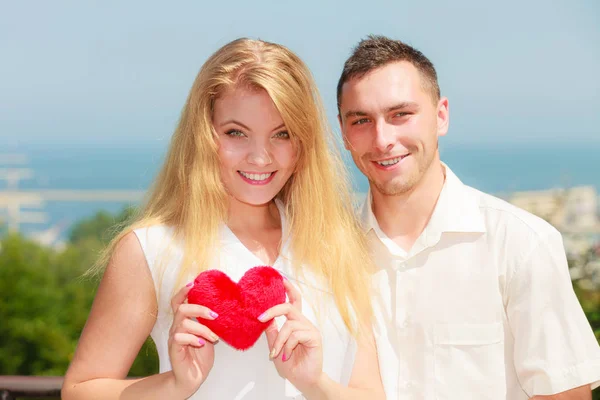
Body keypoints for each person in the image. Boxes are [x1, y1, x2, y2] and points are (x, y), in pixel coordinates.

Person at [62, 38, 385, 400]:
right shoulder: (151, 249)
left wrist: (314, 384)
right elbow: (80, 391)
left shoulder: (340, 244)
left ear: (303, 141)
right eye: (236, 133)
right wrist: (175, 384)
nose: (260, 157)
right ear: (203, 135)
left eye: (282, 134)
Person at [336, 35, 600, 399]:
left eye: (401, 114)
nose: (382, 139)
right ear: (343, 132)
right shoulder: (327, 252)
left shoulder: (520, 245)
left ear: (440, 115)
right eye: (362, 120)